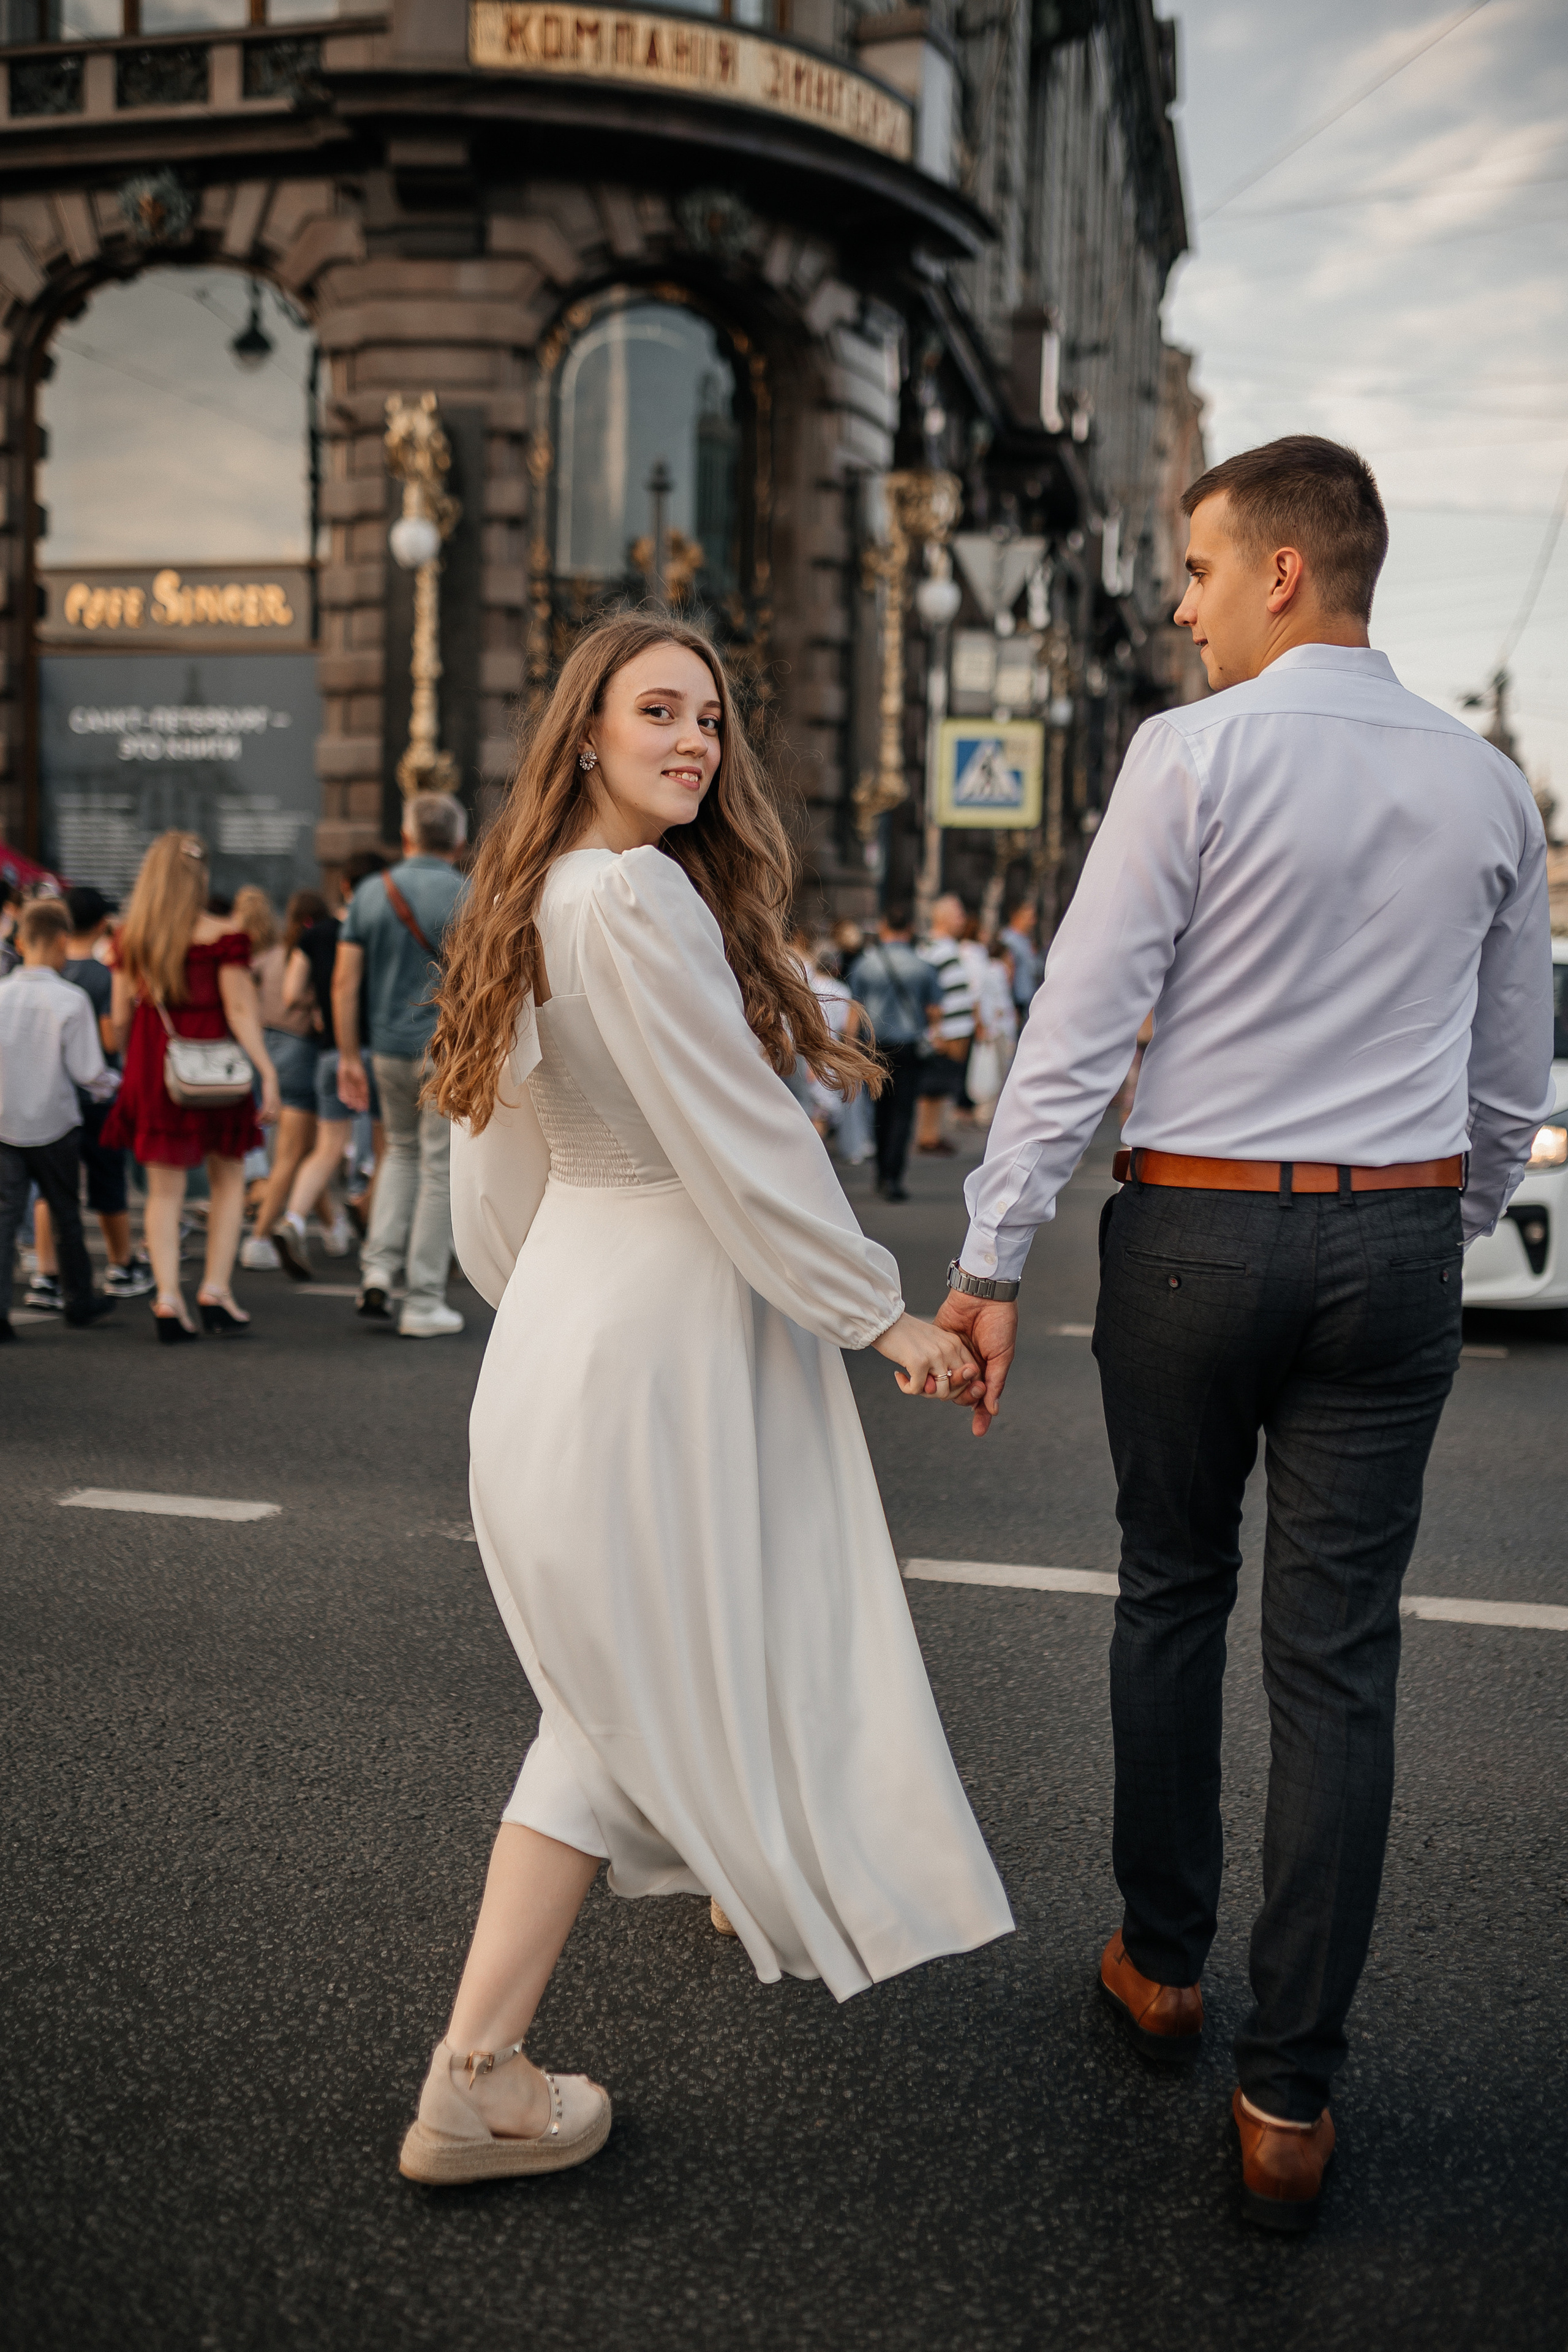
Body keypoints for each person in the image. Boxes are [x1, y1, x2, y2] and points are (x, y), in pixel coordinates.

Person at [938, 435, 1554, 2233]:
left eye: (1199, 569)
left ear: (1283, 571)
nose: (1180, 605)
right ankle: (1288, 2096)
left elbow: (1080, 1021)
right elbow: (1507, 1075)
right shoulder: (1486, 783)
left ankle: (1158, 1961)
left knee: (1168, 1588)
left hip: (1193, 1234)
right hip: (1392, 1237)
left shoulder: (1188, 752)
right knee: (1337, 1657)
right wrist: (1431, 1220)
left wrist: (988, 1257)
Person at [396, 614, 1010, 2187]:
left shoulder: (528, 899)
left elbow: (490, 1169)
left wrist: (542, 1299)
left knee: (635, 1666)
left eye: (711, 719)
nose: (692, 740)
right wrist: (877, 1312)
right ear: (585, 733)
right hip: (665, 1343)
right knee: (640, 1680)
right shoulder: (635, 894)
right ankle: (473, 2074)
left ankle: (672, 1915)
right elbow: (738, 1133)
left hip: (565, 1329)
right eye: (657, 710)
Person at [103, 832, 281, 1341]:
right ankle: (215, 1291)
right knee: (228, 1180)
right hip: (216, 1069)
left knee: (164, 1192)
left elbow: (119, 1019)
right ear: (198, 879)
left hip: (155, 1065)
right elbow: (241, 1011)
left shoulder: (132, 939)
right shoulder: (224, 936)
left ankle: (167, 1298)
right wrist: (267, 1071)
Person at [335, 796, 467, 1336]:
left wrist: (348, 1055)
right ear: (458, 842)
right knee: (438, 1168)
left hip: (386, 1049)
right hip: (445, 1050)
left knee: (399, 1153)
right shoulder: (469, 894)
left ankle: (376, 1271)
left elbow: (345, 983)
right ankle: (424, 1300)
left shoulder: (371, 891)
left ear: (407, 837)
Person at [252, 855, 388, 1276]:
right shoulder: (382, 929)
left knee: (327, 1147)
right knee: (389, 1151)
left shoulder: (317, 935)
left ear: (344, 885)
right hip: (380, 1052)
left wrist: (322, 1006)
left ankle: (293, 1220)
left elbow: (292, 993)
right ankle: (370, 1222)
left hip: (331, 1053)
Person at [28, 885, 154, 1307]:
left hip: (50, 1094)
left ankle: (47, 1274)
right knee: (107, 1182)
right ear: (103, 924)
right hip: (97, 1096)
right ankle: (121, 1264)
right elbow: (109, 1039)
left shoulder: (46, 974)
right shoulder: (103, 976)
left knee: (50, 1188)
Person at [0, 899, 118, 1339]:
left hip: (4, 1122)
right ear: (62, 941)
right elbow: (89, 1072)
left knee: (5, 1217)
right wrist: (116, 1085)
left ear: (20, 941)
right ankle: (79, 1300)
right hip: (56, 1124)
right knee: (66, 1214)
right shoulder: (71, 999)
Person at [238, 888, 330, 1273]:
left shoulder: (267, 958)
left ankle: (333, 1226)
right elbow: (298, 998)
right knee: (292, 1155)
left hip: (263, 1046)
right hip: (300, 1050)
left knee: (307, 1149)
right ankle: (260, 1237)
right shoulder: (308, 955)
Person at [848, 907, 942, 1200]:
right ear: (910, 929)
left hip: (874, 1046)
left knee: (878, 1109)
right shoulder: (923, 967)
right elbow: (935, 1011)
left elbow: (855, 1009)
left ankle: (880, 1172)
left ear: (884, 927)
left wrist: (850, 1046)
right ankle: (893, 1175)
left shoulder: (865, 964)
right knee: (902, 1112)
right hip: (908, 1046)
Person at [915, 894, 976, 1156]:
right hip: (946, 1030)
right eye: (959, 914)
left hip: (956, 1029)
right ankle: (927, 1136)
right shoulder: (934, 948)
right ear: (944, 918)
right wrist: (935, 1031)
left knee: (942, 1087)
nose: (963, 920)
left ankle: (934, 1135)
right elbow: (929, 995)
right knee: (933, 1087)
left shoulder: (946, 946)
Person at [998, 900, 1042, 1024]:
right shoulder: (1008, 940)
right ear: (1016, 916)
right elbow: (1005, 975)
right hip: (1016, 1004)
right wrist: (1011, 1005)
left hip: (1028, 1003)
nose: (1033, 922)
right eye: (1029, 917)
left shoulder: (1027, 941)